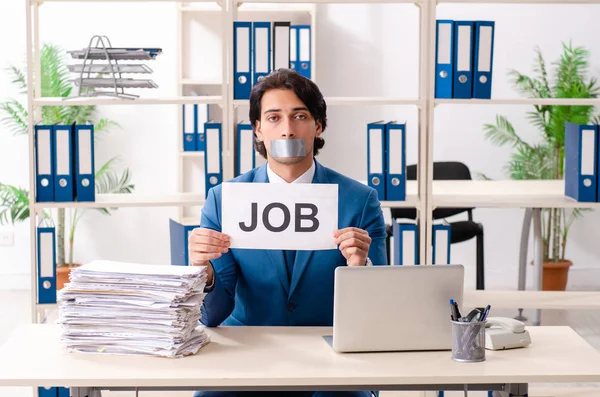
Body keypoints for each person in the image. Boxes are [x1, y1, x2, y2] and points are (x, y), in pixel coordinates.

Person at [189, 69, 388, 397]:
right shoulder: (225, 200)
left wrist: (360, 268)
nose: (287, 129)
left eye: (299, 116)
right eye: (273, 117)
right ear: (258, 128)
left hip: (331, 354)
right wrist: (203, 271)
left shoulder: (359, 200)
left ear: (318, 126)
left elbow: (379, 311)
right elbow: (212, 316)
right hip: (247, 352)